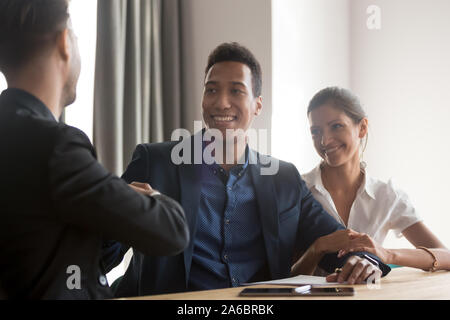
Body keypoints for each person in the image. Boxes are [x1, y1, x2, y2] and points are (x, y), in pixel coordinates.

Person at [108, 43, 390, 298]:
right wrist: (118, 212)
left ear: (258, 104)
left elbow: (339, 244)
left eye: (236, 90)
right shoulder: (156, 163)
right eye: (212, 90)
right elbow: (98, 254)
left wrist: (365, 262)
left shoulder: (283, 179)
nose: (221, 102)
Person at [0, 0, 189, 299]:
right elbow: (172, 232)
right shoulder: (59, 148)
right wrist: (144, 195)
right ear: (64, 42)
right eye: (75, 38)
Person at [292, 87, 450, 277]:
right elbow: (285, 275)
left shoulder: (387, 195)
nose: (325, 141)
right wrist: (318, 248)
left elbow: (446, 256)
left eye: (336, 126)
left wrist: (387, 254)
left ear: (362, 127)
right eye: (316, 132)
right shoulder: (297, 191)